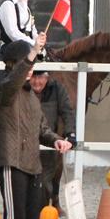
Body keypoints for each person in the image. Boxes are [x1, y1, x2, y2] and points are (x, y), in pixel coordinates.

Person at [0, 34, 72, 219]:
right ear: (14, 65)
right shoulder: (5, 90)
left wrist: (56, 140)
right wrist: (31, 54)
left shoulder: (32, 98)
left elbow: (42, 129)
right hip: (10, 161)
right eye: (27, 63)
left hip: (31, 164)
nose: (32, 68)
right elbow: (16, 78)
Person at [30, 68, 76, 211]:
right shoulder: (23, 91)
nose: (37, 82)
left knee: (45, 181)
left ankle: (42, 209)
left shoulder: (57, 89)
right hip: (27, 143)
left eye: (41, 78)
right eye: (34, 78)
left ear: (47, 78)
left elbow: (67, 111)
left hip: (49, 142)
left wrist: (71, 134)